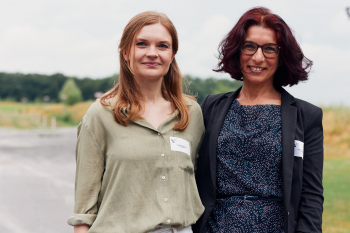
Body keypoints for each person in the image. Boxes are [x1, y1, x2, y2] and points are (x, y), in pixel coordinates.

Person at [67, 11, 205, 233]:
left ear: (172, 54)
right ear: (125, 52)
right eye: (142, 44)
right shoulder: (100, 115)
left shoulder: (191, 114)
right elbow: (84, 210)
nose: (152, 53)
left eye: (162, 46)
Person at [193, 7, 324, 233]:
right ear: (237, 50)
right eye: (249, 46)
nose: (258, 57)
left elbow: (311, 195)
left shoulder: (307, 116)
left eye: (270, 49)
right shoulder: (210, 107)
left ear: (282, 57)